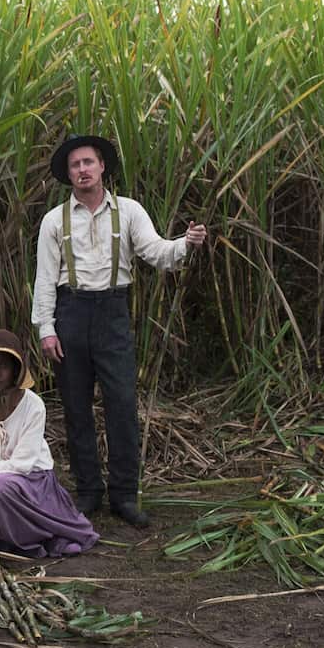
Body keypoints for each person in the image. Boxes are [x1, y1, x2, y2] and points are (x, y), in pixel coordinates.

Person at [32, 134, 207, 528]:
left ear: (102, 167)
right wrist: (46, 328)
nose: (82, 170)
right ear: (68, 174)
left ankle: (125, 496)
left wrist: (186, 244)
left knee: (122, 406)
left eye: (88, 163)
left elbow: (157, 253)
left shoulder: (128, 211)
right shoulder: (53, 221)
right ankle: (89, 492)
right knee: (76, 408)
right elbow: (44, 279)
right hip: (70, 312)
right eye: (75, 165)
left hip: (113, 313)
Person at [0, 330, 98, 558]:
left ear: (15, 371)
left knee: (0, 487)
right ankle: (14, 535)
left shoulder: (34, 406)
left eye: (3, 366)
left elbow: (22, 464)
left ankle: (36, 538)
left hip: (32, 483)